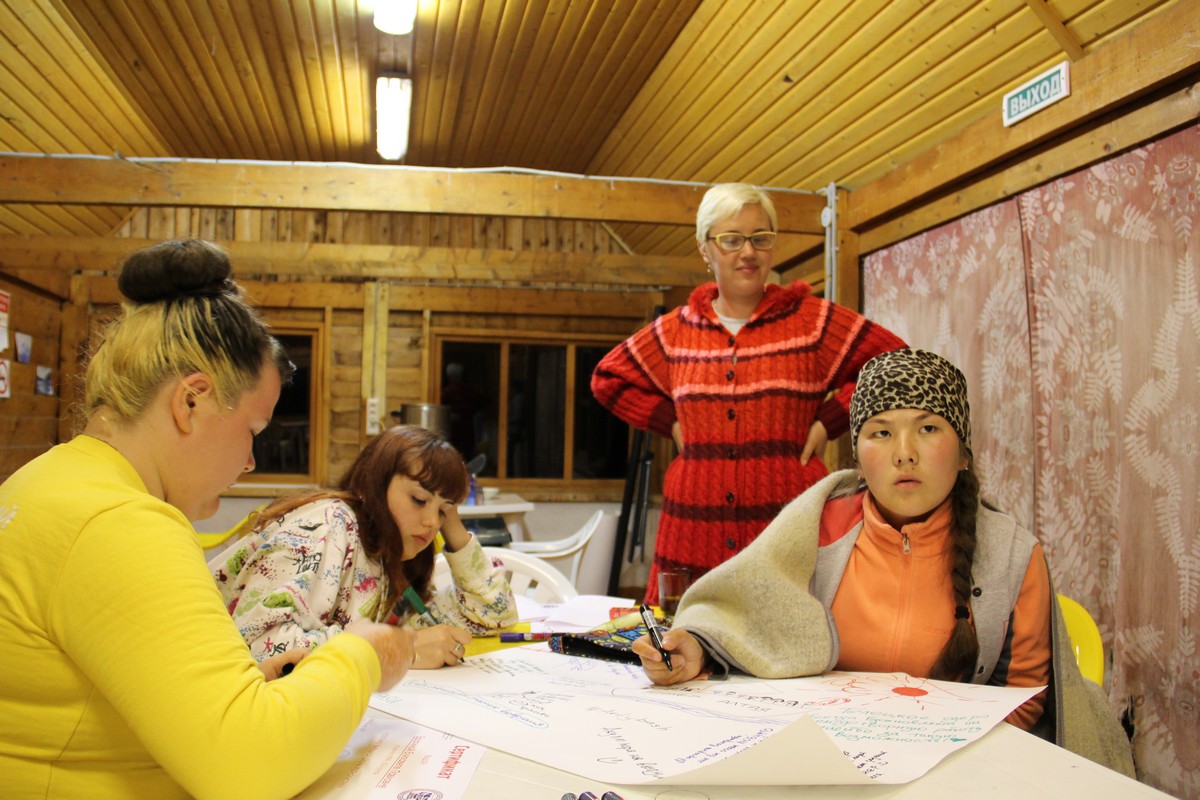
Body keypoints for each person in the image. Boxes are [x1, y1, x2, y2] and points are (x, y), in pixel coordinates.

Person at [0, 239, 415, 799]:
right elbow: (249, 766)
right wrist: (362, 655)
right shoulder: (121, 523)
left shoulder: (45, 480)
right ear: (190, 401)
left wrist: (236, 691)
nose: (249, 461)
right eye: (252, 431)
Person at [631, 348, 1135, 776]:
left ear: (963, 454)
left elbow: (1023, 701)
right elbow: (741, 615)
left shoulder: (1012, 555)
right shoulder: (817, 525)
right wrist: (695, 649)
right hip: (820, 762)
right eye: (882, 433)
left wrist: (926, 764)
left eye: (928, 428)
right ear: (857, 455)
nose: (904, 453)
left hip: (951, 771)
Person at [591, 182, 907, 604]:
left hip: (788, 523)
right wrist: (671, 423)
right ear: (705, 249)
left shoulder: (811, 322)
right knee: (686, 630)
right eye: (731, 239)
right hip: (693, 527)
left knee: (794, 630)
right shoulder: (675, 331)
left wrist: (829, 420)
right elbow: (608, 378)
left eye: (761, 238)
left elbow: (895, 362)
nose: (748, 252)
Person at [211, 424, 518, 668]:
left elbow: (494, 614)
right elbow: (258, 647)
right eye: (419, 499)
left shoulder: (390, 558)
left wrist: (452, 520)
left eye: (442, 511)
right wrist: (399, 649)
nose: (431, 522)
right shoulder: (328, 524)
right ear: (374, 483)